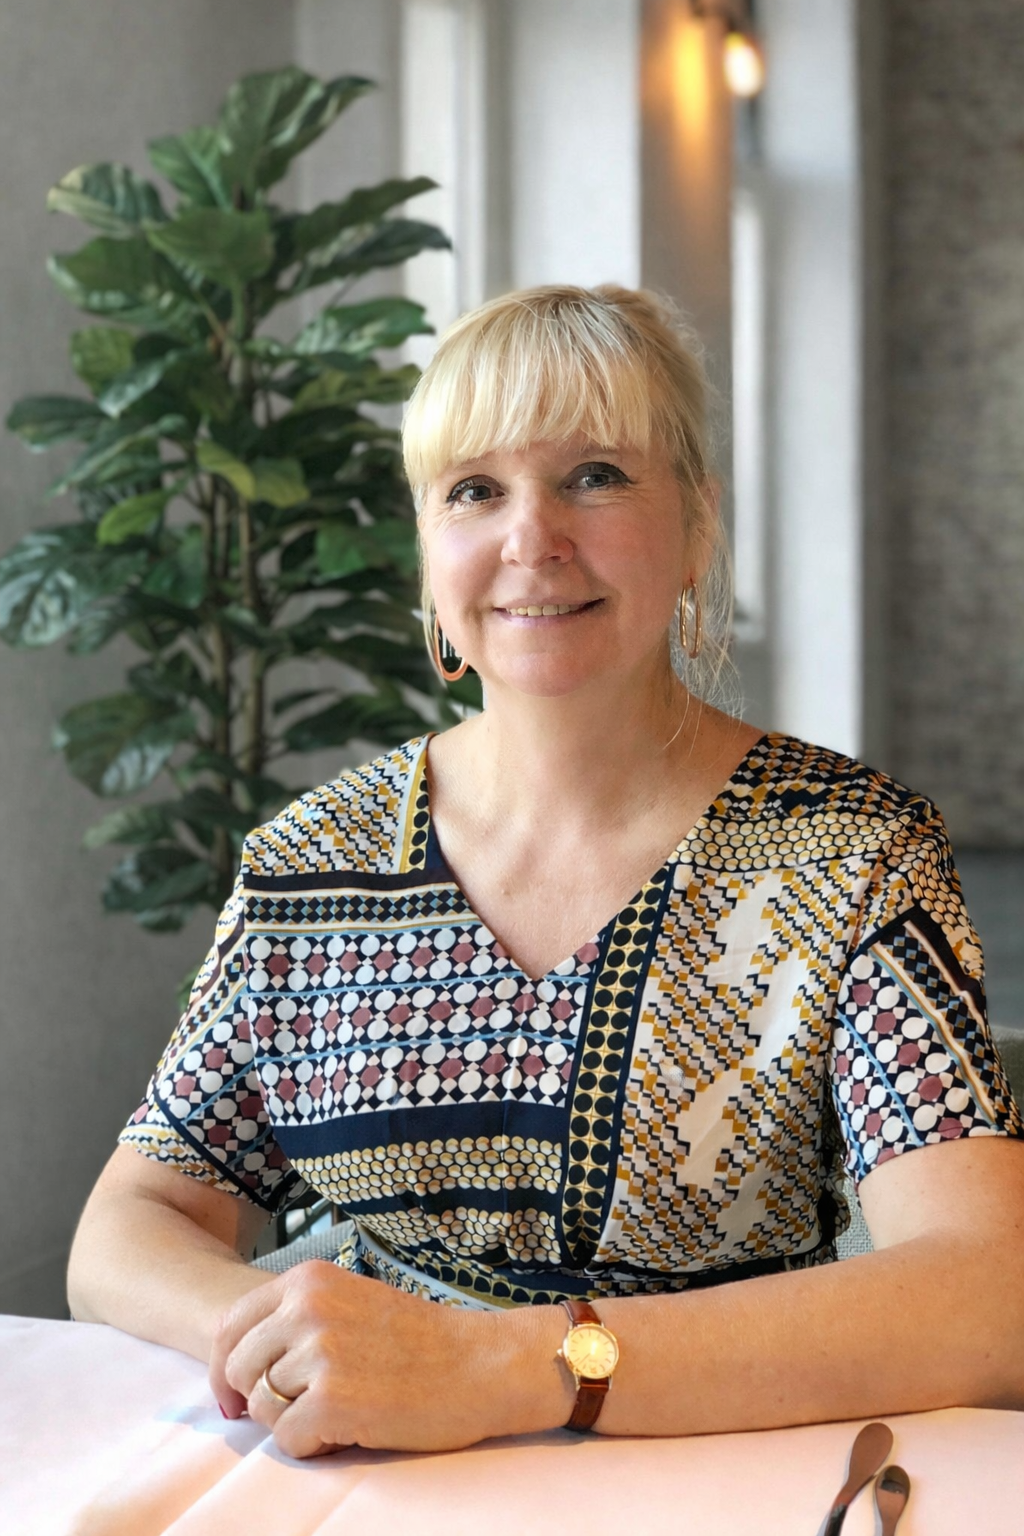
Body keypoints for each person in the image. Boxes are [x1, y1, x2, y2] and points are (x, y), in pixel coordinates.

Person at [68, 284, 1024, 1460]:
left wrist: (499, 1370)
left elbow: (986, 1295)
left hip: (713, 1475)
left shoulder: (851, 851)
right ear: (428, 551)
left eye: (595, 476)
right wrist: (310, 1348)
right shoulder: (311, 862)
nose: (532, 540)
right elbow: (131, 1223)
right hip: (368, 1478)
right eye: (474, 490)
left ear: (697, 526)